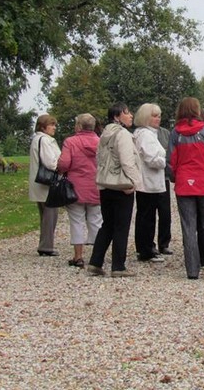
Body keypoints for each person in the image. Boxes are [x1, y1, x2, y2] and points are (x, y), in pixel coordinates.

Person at [168, 97, 204, 280]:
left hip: (184, 183)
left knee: (188, 227)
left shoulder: (175, 133)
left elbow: (170, 161)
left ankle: (192, 271)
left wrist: (175, 178)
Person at [87, 103, 143, 278]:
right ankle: (118, 265)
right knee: (121, 226)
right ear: (117, 116)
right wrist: (135, 182)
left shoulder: (104, 134)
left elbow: (99, 158)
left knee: (108, 224)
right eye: (127, 113)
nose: (131, 116)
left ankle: (96, 262)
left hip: (105, 183)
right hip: (121, 185)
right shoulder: (123, 135)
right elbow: (127, 161)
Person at [57, 113, 102, 268]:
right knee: (96, 221)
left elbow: (64, 164)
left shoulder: (71, 142)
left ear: (79, 126)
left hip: (75, 187)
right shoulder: (100, 142)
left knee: (77, 222)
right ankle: (97, 257)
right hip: (96, 186)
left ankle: (78, 256)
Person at [133, 103, 168, 264]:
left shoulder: (147, 134)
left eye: (159, 116)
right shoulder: (145, 135)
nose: (158, 119)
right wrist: (165, 160)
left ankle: (146, 247)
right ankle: (146, 249)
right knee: (147, 217)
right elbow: (151, 158)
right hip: (148, 182)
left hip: (150, 181)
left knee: (146, 216)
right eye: (154, 116)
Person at [28, 114, 61, 257]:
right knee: (50, 215)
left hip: (39, 184)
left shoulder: (36, 139)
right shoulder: (46, 141)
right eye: (51, 125)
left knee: (45, 215)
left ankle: (44, 244)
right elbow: (50, 162)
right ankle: (46, 246)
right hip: (47, 184)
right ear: (43, 126)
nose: (54, 128)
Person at [156, 123, 173, 255]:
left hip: (164, 176)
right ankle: (146, 244)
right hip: (147, 178)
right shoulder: (140, 133)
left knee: (165, 211)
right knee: (146, 212)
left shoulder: (165, 133)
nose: (158, 119)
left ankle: (164, 243)